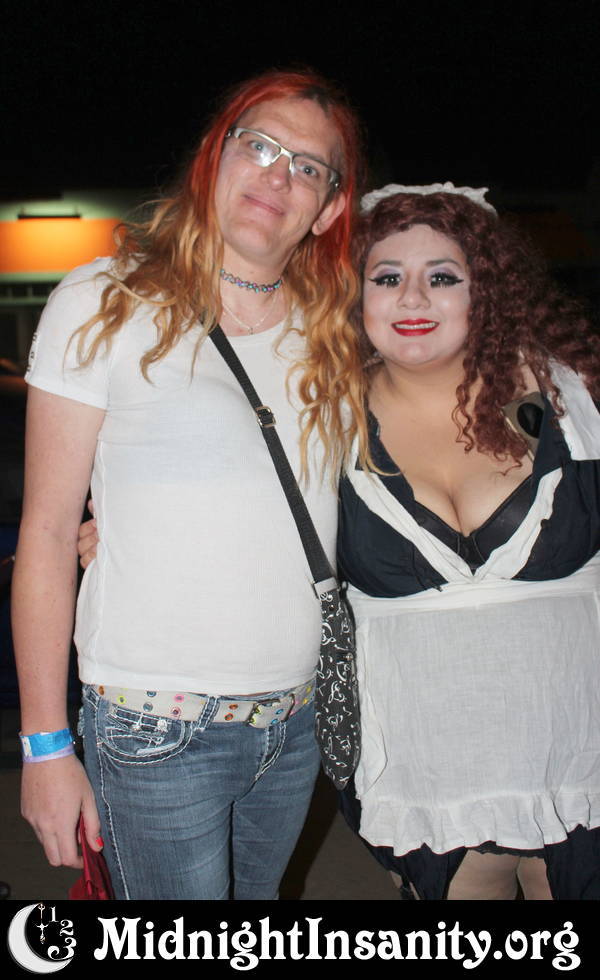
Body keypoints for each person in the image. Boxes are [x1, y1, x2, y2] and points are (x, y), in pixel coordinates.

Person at [12, 68, 367, 900]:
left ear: (328, 209)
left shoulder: (334, 333)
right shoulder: (104, 299)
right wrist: (44, 745)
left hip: (296, 723)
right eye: (259, 145)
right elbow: (48, 532)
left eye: (308, 167)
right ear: (217, 156)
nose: (277, 175)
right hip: (155, 725)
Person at [336, 183, 600, 900]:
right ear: (354, 296)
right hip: (428, 782)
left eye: (443, 277)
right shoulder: (320, 420)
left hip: (581, 770)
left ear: (485, 292)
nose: (412, 298)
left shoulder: (569, 397)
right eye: (387, 277)